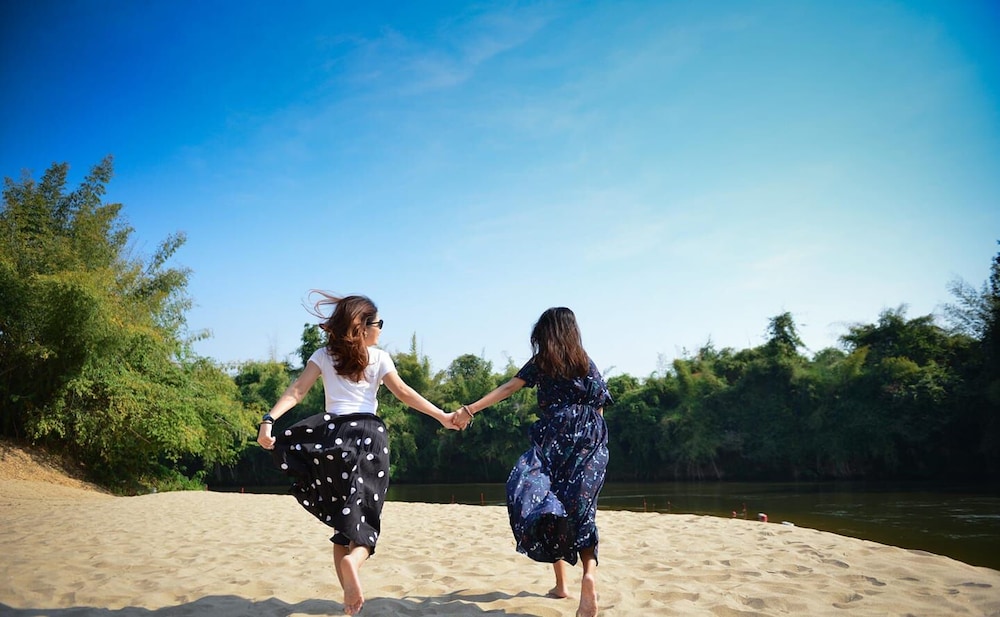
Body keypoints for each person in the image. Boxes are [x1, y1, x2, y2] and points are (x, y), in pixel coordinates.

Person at [257, 293, 458, 615]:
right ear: (363, 327)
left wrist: (269, 421)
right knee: (365, 515)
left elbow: (297, 391)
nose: (380, 329)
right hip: (369, 436)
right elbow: (404, 393)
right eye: (378, 323)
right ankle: (355, 561)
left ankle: (350, 601)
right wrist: (442, 416)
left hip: (332, 439)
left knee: (344, 522)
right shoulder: (378, 357)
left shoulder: (323, 356)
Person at [452, 307, 611, 617]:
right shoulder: (585, 362)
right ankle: (587, 576)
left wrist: (469, 409)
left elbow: (508, 388)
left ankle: (562, 585)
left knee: (545, 502)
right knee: (582, 510)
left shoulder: (543, 362)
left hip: (555, 435)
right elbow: (600, 405)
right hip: (591, 438)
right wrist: (596, 449)